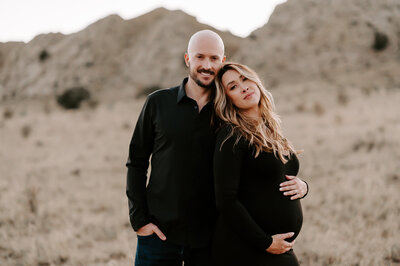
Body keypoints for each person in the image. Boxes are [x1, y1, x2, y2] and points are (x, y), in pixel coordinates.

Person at [126, 31, 308, 266]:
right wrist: (139, 220)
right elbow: (136, 162)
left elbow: (263, 165)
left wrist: (303, 186)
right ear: (187, 59)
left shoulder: (230, 113)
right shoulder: (158, 103)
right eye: (199, 57)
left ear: (222, 62)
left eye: (213, 58)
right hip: (160, 234)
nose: (206, 65)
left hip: (208, 238)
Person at [212, 62, 307, 266]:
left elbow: (277, 174)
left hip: (272, 248)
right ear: (227, 99)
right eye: (233, 87)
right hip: (247, 248)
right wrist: (264, 242)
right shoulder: (232, 135)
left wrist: (303, 187)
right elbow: (226, 200)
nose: (243, 87)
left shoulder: (269, 128)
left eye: (245, 79)